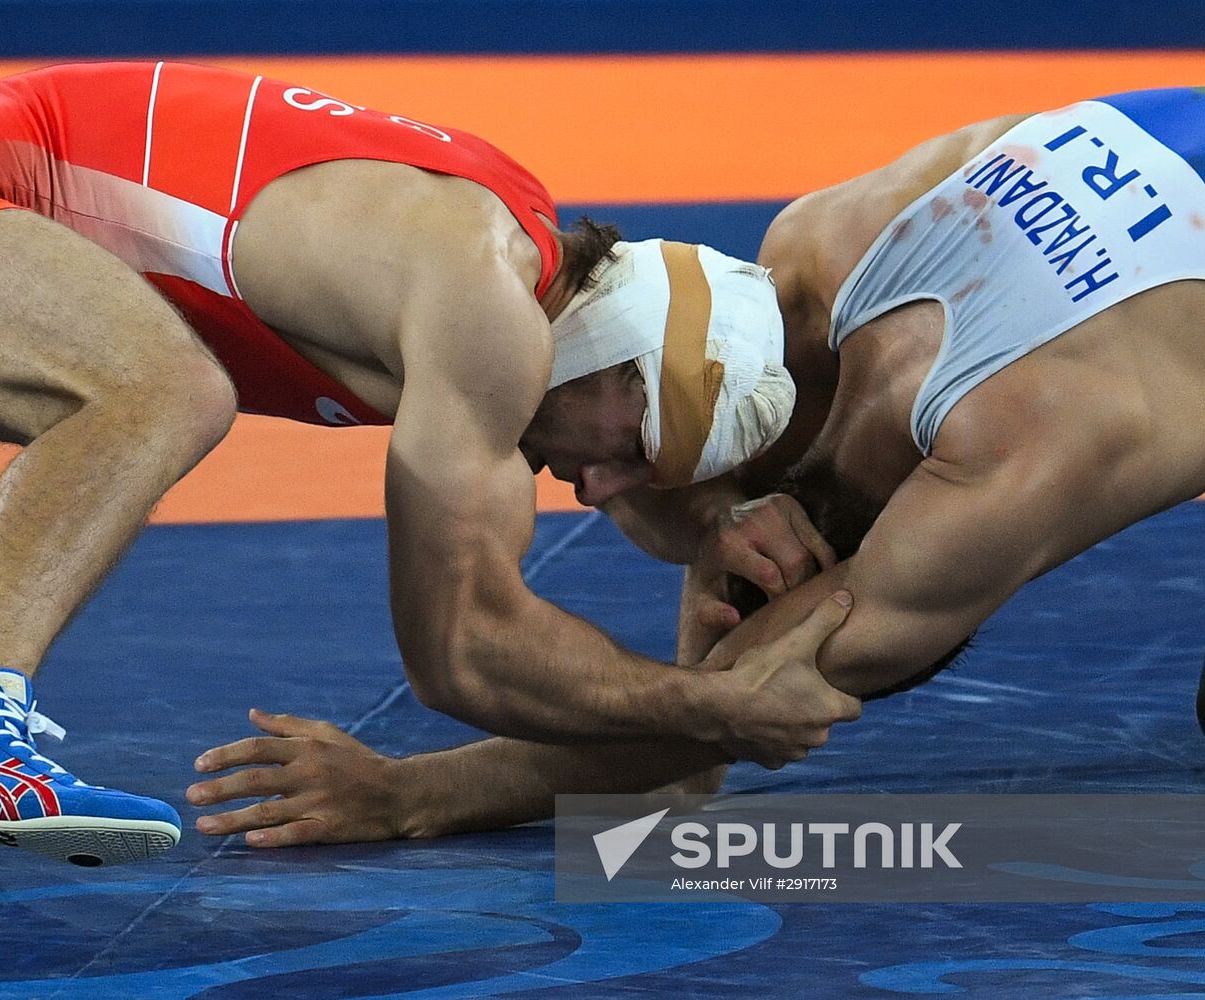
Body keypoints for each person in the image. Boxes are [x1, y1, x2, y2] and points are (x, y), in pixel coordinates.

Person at [188, 86, 1205, 846]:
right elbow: (707, 655)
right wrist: (716, 530)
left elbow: (740, 705)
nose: (590, 493)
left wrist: (413, 795)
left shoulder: (1009, 457)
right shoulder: (814, 260)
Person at [0, 62, 861, 866]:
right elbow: (463, 656)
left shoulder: (514, 301)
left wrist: (715, 521)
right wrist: (717, 704)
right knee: (165, 390)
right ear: (619, 355)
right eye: (630, 452)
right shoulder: (482, 302)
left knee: (143, 378)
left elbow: (618, 465)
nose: (596, 490)